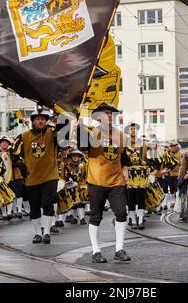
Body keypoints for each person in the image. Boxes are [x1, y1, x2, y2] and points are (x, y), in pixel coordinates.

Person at [75, 103, 131, 263]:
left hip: (116, 181)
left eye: (111, 113)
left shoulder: (121, 135)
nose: (109, 116)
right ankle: (96, 251)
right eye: (106, 113)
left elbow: (124, 155)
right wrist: (79, 127)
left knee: (121, 213)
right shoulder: (92, 133)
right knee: (96, 216)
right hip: (97, 180)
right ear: (98, 116)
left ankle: (119, 249)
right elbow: (83, 146)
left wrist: (125, 168)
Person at [11, 109, 61, 244]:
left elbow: (63, 131)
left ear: (46, 121)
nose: (40, 121)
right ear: (33, 121)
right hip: (31, 178)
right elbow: (13, 153)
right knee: (34, 207)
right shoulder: (24, 136)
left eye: (43, 119)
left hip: (50, 176)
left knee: (47, 203)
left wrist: (61, 113)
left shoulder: (52, 133)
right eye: (38, 119)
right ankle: (38, 233)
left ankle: (46, 232)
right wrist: (21, 165)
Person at [125, 122, 148, 230]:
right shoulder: (124, 144)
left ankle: (140, 219)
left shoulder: (143, 144)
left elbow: (148, 159)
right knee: (130, 199)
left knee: (141, 198)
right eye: (131, 128)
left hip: (141, 175)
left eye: (135, 128)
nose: (133, 130)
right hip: (129, 174)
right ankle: (133, 220)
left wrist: (144, 162)